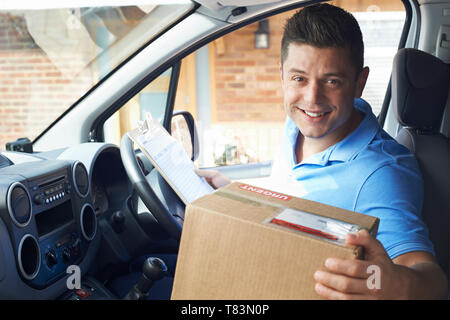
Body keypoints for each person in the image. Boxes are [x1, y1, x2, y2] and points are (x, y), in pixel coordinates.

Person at [196, 3, 448, 299]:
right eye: (299, 78)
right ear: (282, 75)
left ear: (359, 83)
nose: (312, 99)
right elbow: (294, 199)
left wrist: (392, 283)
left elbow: (431, 278)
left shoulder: (382, 173)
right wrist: (234, 192)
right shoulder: (297, 126)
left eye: (331, 81)